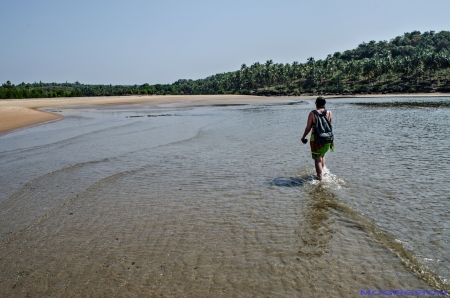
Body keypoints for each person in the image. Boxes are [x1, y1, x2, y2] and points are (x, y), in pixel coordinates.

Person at [301, 96, 334, 180]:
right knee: (322, 155)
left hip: (316, 139)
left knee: (317, 159)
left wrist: (303, 137)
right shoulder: (329, 112)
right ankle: (322, 173)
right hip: (328, 138)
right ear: (324, 104)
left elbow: (308, 128)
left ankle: (320, 179)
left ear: (316, 104)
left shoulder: (313, 113)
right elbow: (328, 126)